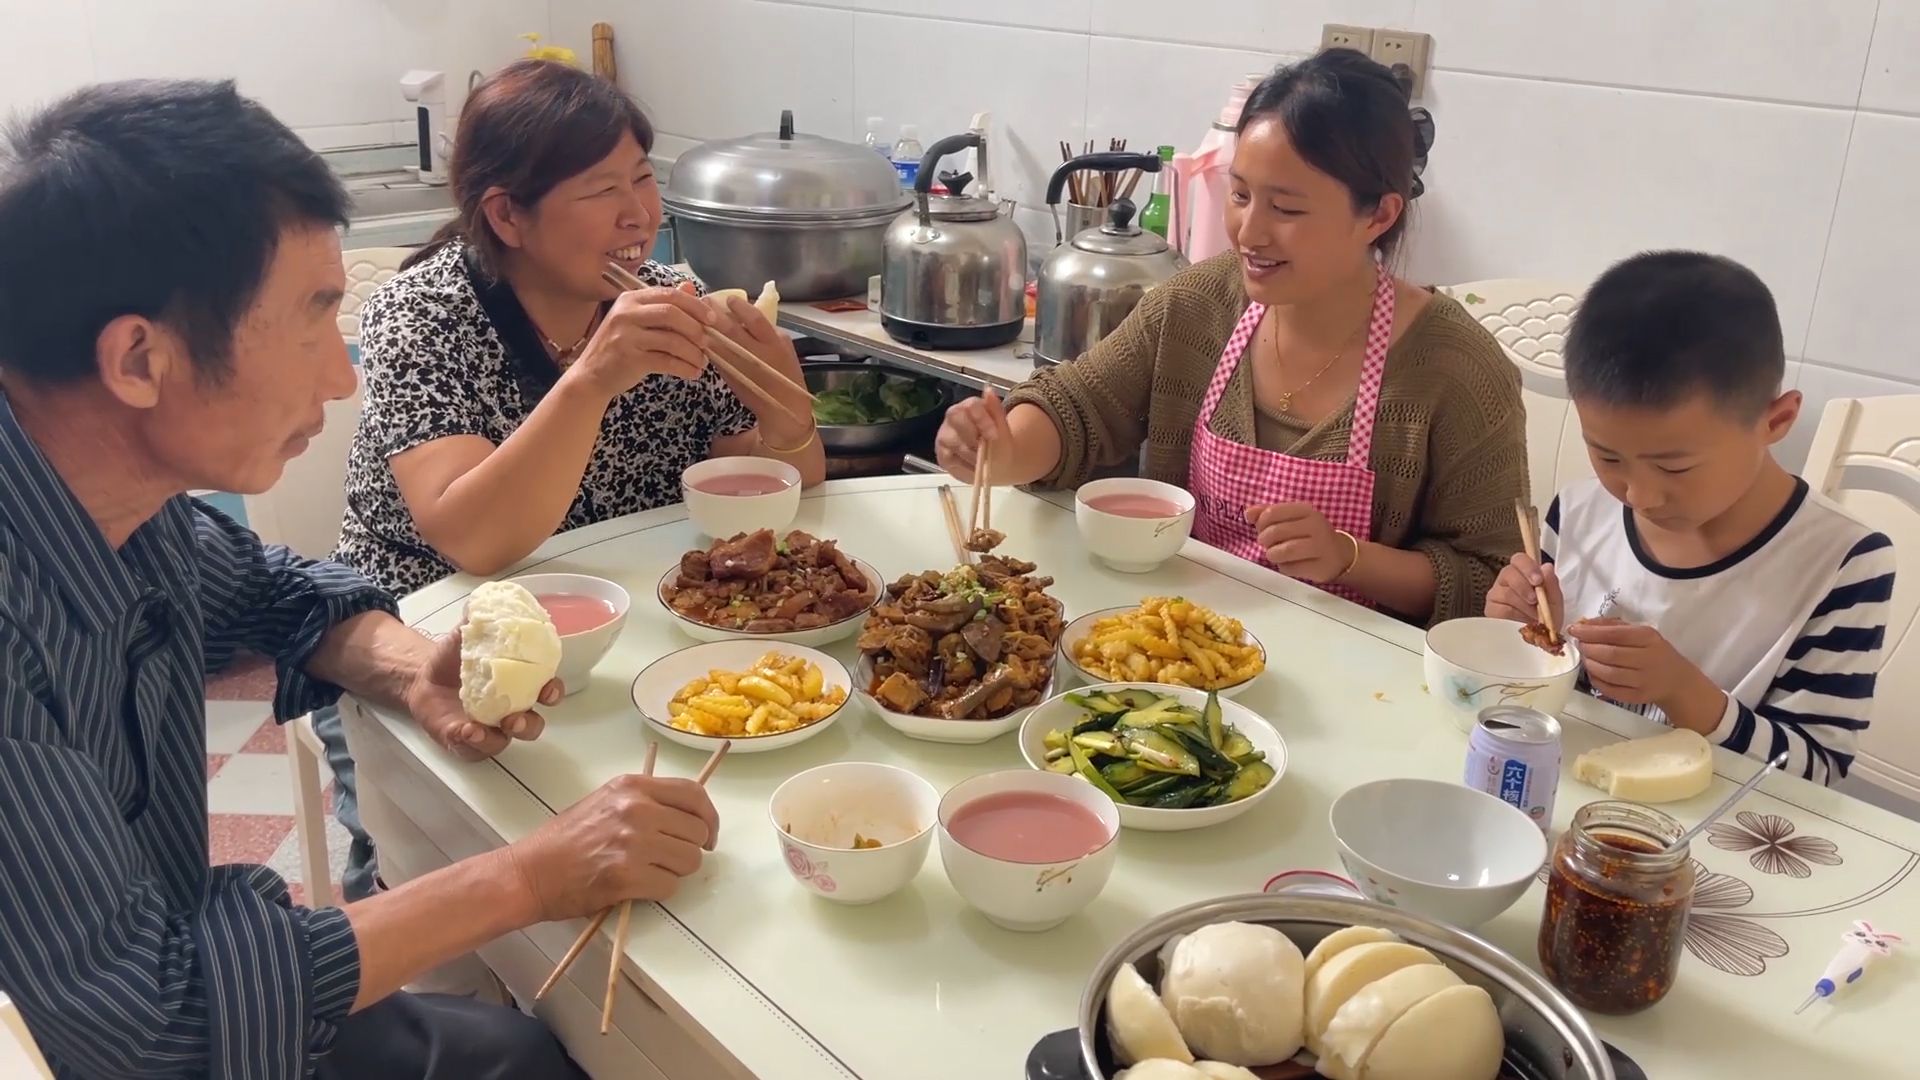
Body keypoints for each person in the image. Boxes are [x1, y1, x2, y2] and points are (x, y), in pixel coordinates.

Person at [0, 79, 719, 1079]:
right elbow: (155, 1023)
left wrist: (406, 664)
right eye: (311, 317)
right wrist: (528, 877)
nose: (341, 382)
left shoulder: (114, 502)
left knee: (523, 1057)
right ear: (137, 359)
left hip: (205, 990)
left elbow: (273, 594)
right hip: (163, 1039)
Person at [319, 59, 819, 901]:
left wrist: (784, 395)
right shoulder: (424, 315)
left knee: (707, 866)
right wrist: (591, 379)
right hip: (433, 655)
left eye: (642, 179)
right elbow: (475, 541)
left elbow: (778, 492)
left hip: (628, 654)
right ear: (507, 215)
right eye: (600, 190)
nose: (640, 215)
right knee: (445, 877)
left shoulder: (665, 302)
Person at [936, 49, 1527, 625]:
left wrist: (1350, 558)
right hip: (1181, 643)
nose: (1249, 230)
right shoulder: (1200, 305)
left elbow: (1489, 582)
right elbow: (1079, 407)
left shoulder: (1459, 370)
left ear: (1379, 215)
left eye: (1287, 210)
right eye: (1240, 194)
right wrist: (1005, 450)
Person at [1486, 252, 1895, 786]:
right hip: (1565, 798)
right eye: (1607, 456)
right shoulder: (1580, 511)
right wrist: (1522, 635)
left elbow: (1815, 770)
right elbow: (1541, 703)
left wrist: (1685, 695)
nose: (1637, 494)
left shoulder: (1843, 563)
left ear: (1777, 420)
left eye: (1674, 465)